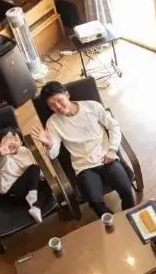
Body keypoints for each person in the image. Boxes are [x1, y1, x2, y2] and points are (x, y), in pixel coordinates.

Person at [31, 81, 135, 217]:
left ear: (67, 94)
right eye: (52, 105)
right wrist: (49, 145)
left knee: (126, 191)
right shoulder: (53, 123)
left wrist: (112, 149)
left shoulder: (92, 106)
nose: (58, 107)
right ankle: (113, 222)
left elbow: (113, 126)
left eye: (59, 100)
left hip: (106, 158)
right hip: (84, 167)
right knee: (95, 202)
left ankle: (129, 218)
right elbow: (53, 154)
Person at [0, 125, 43, 223]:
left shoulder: (24, 151)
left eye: (16, 140)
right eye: (7, 140)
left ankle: (36, 207)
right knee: (34, 168)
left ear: (21, 142)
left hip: (28, 189)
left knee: (46, 182)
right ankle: (33, 198)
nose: (12, 142)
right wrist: (1, 154)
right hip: (13, 193)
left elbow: (32, 173)